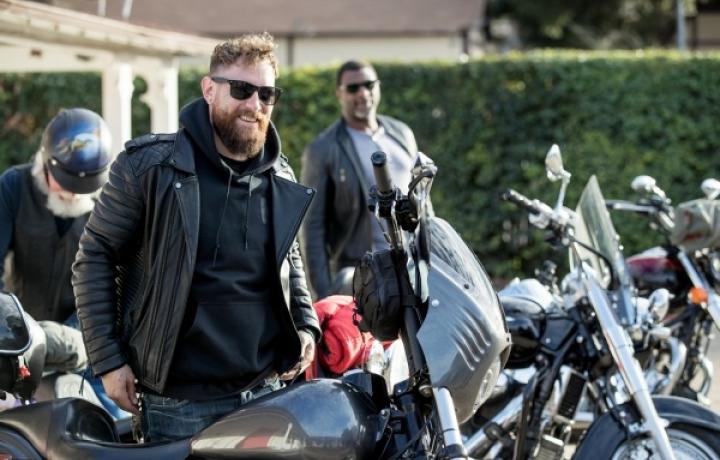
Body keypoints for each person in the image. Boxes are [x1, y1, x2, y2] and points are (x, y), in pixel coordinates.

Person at [72, 33, 321, 442]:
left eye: (267, 94)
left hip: (266, 392)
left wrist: (307, 326)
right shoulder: (149, 168)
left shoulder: (281, 178)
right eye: (241, 90)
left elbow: (290, 259)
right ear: (209, 89)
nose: (254, 105)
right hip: (178, 404)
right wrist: (107, 361)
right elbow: (94, 257)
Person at [0, 107, 113, 373]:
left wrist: (69, 336)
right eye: (66, 184)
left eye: (83, 189)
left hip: (85, 340)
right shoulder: (14, 186)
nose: (74, 195)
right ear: (46, 162)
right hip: (18, 336)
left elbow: (111, 284)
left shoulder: (109, 204)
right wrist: (11, 328)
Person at [300, 60, 419, 300]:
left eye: (369, 84)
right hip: (364, 278)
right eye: (353, 88)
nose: (363, 93)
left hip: (414, 269)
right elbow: (312, 229)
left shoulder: (402, 134)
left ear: (378, 87)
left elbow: (423, 200)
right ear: (339, 94)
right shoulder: (324, 148)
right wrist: (323, 298)